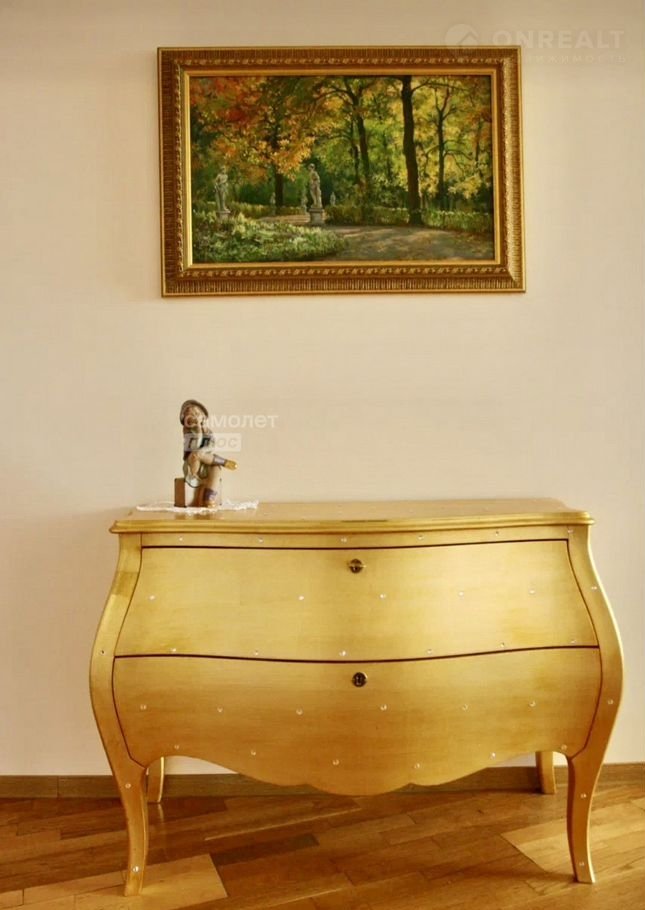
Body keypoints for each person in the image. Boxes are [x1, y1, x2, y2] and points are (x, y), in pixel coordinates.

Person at [179, 399, 236, 508]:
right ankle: (223, 461)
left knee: (216, 468)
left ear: (203, 417)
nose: (195, 416)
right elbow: (195, 447)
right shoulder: (188, 432)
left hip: (206, 462)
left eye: (197, 413)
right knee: (196, 454)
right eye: (191, 414)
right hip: (193, 465)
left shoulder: (208, 432)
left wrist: (203, 450)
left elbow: (211, 446)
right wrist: (198, 430)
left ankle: (209, 497)